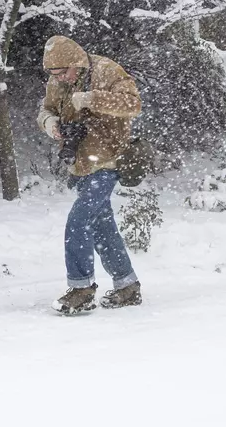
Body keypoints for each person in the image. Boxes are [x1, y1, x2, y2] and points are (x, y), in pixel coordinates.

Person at [36, 35, 143, 314]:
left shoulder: (106, 70)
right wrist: (51, 124)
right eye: (54, 74)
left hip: (109, 160)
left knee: (79, 221)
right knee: (101, 226)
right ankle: (127, 285)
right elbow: (46, 109)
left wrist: (92, 100)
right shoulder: (58, 81)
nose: (61, 79)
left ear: (76, 63)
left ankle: (81, 289)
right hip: (80, 163)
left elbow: (133, 104)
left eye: (64, 72)